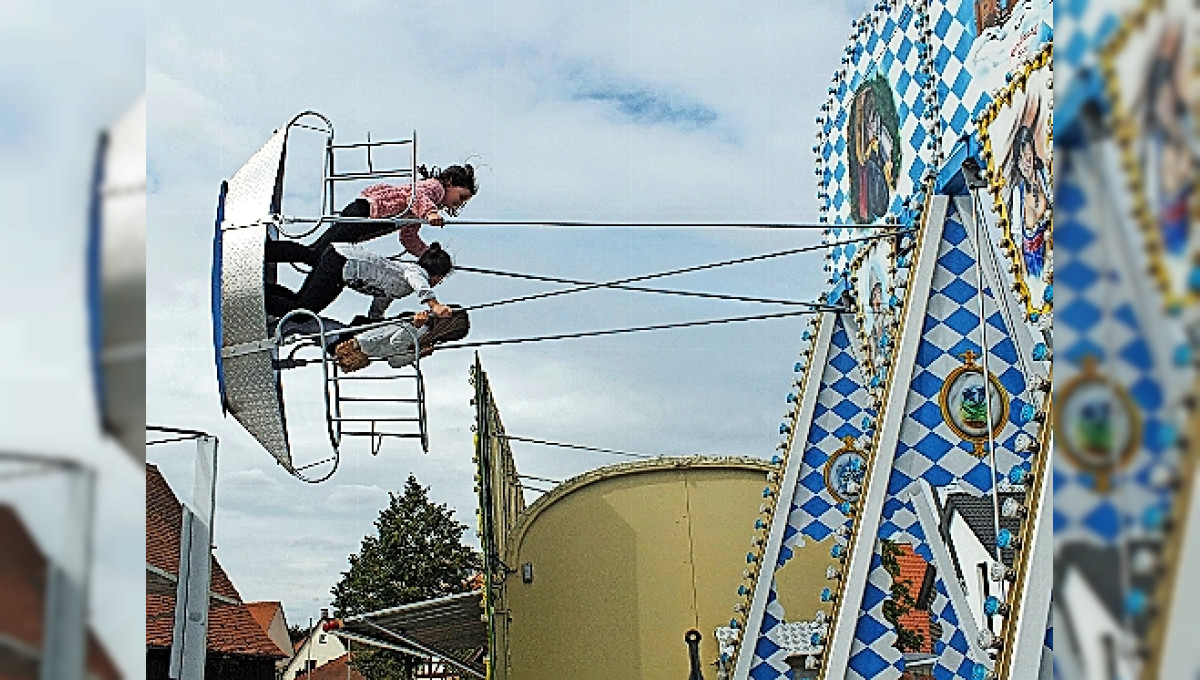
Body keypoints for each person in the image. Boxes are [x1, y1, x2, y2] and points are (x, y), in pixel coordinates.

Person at [266, 164, 478, 265]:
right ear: (450, 183)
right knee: (316, 255)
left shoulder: (419, 210)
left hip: (364, 219)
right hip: (365, 213)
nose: (456, 204)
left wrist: (425, 254)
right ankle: (267, 252)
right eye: (459, 197)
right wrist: (431, 213)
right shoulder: (434, 189)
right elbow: (417, 195)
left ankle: (269, 253)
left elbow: (408, 237)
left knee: (317, 254)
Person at [266, 241, 454, 320]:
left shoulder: (403, 282)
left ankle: (267, 292)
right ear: (436, 275)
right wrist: (434, 305)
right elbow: (418, 280)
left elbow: (383, 296)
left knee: (301, 304)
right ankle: (263, 301)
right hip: (342, 264)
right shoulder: (415, 272)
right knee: (302, 312)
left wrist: (376, 319)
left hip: (341, 262)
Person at [332, 306, 470, 372]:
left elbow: (395, 353)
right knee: (316, 331)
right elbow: (395, 353)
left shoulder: (424, 332)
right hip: (359, 344)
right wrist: (418, 351)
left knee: (316, 330)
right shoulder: (424, 333)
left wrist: (418, 353)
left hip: (360, 344)